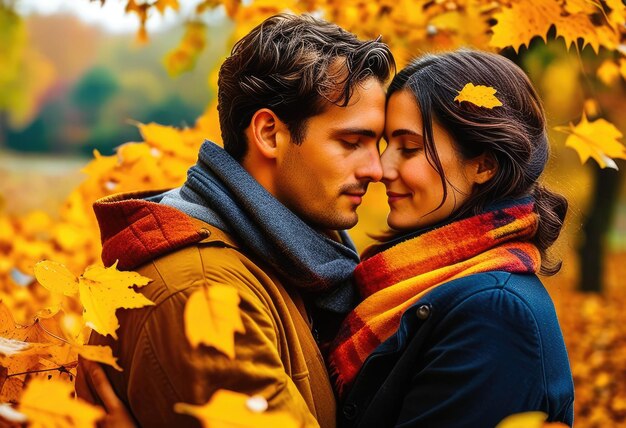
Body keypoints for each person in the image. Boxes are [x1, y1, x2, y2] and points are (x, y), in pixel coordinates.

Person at [75, 14, 394, 428]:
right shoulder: (202, 293)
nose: (377, 169)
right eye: (352, 142)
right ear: (268, 133)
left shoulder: (292, 260)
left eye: (378, 145)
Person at [327, 49, 574, 427]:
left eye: (408, 148)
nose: (381, 169)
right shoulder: (413, 285)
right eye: (384, 146)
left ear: (484, 165)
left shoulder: (496, 313)